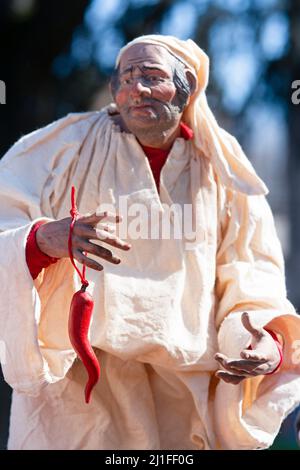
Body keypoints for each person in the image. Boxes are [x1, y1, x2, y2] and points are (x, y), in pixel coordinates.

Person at [0, 34, 299, 451]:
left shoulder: (222, 169)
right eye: (127, 77)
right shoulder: (58, 150)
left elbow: (251, 272)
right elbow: (4, 222)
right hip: (78, 394)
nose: (136, 89)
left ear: (187, 87)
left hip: (184, 400)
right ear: (113, 89)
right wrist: (43, 239)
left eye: (152, 76)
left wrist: (268, 338)